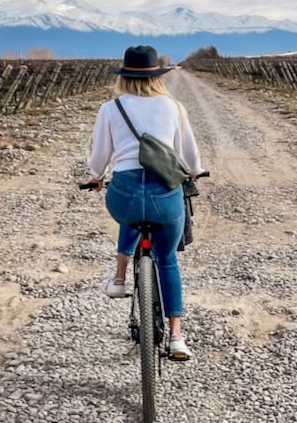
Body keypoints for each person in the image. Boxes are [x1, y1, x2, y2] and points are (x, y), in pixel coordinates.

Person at [86, 45, 204, 360]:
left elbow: (100, 156)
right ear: (157, 77)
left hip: (124, 195)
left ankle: (120, 277)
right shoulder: (173, 107)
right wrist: (195, 172)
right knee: (167, 260)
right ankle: (177, 336)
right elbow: (187, 151)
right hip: (165, 196)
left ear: (123, 77)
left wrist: (97, 176)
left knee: (131, 212)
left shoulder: (110, 109)